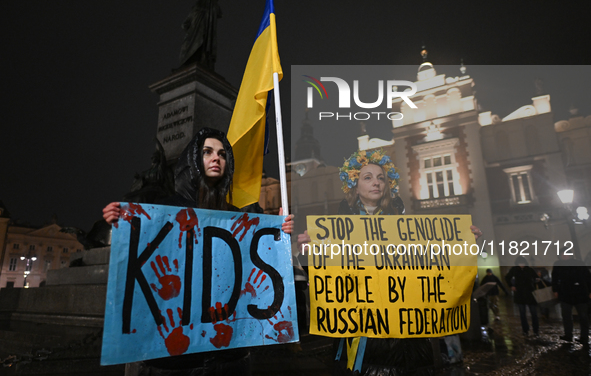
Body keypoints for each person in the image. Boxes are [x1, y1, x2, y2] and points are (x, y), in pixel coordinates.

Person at [103, 127, 294, 376]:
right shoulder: (164, 210)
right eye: (207, 152)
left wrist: (279, 233)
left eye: (222, 154)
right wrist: (119, 219)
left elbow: (261, 266)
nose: (216, 158)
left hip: (229, 357)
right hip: (175, 364)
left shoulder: (239, 218)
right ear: (193, 160)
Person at [297, 148, 483, 376]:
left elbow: (434, 272)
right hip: (363, 338)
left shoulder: (408, 229)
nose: (376, 183)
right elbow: (326, 280)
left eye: (381, 178)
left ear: (387, 185)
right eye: (368, 177)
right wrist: (308, 251)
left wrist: (463, 243)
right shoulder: (335, 230)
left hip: (407, 340)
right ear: (355, 186)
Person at [551, 249, 591, 345]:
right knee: (566, 316)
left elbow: (588, 278)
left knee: (583, 316)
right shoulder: (558, 264)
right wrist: (555, 290)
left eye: (565, 254)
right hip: (565, 294)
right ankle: (568, 335)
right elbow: (554, 278)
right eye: (562, 254)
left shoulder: (579, 263)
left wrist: (590, 290)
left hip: (580, 294)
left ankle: (584, 337)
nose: (564, 256)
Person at [505, 257, 539, 337]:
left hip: (530, 293)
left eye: (523, 263)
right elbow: (507, 277)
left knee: (534, 313)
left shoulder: (529, 269)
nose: (522, 265)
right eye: (520, 263)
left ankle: (536, 330)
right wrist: (511, 286)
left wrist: (537, 280)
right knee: (522, 313)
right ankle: (525, 330)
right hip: (519, 293)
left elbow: (536, 278)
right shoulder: (514, 269)